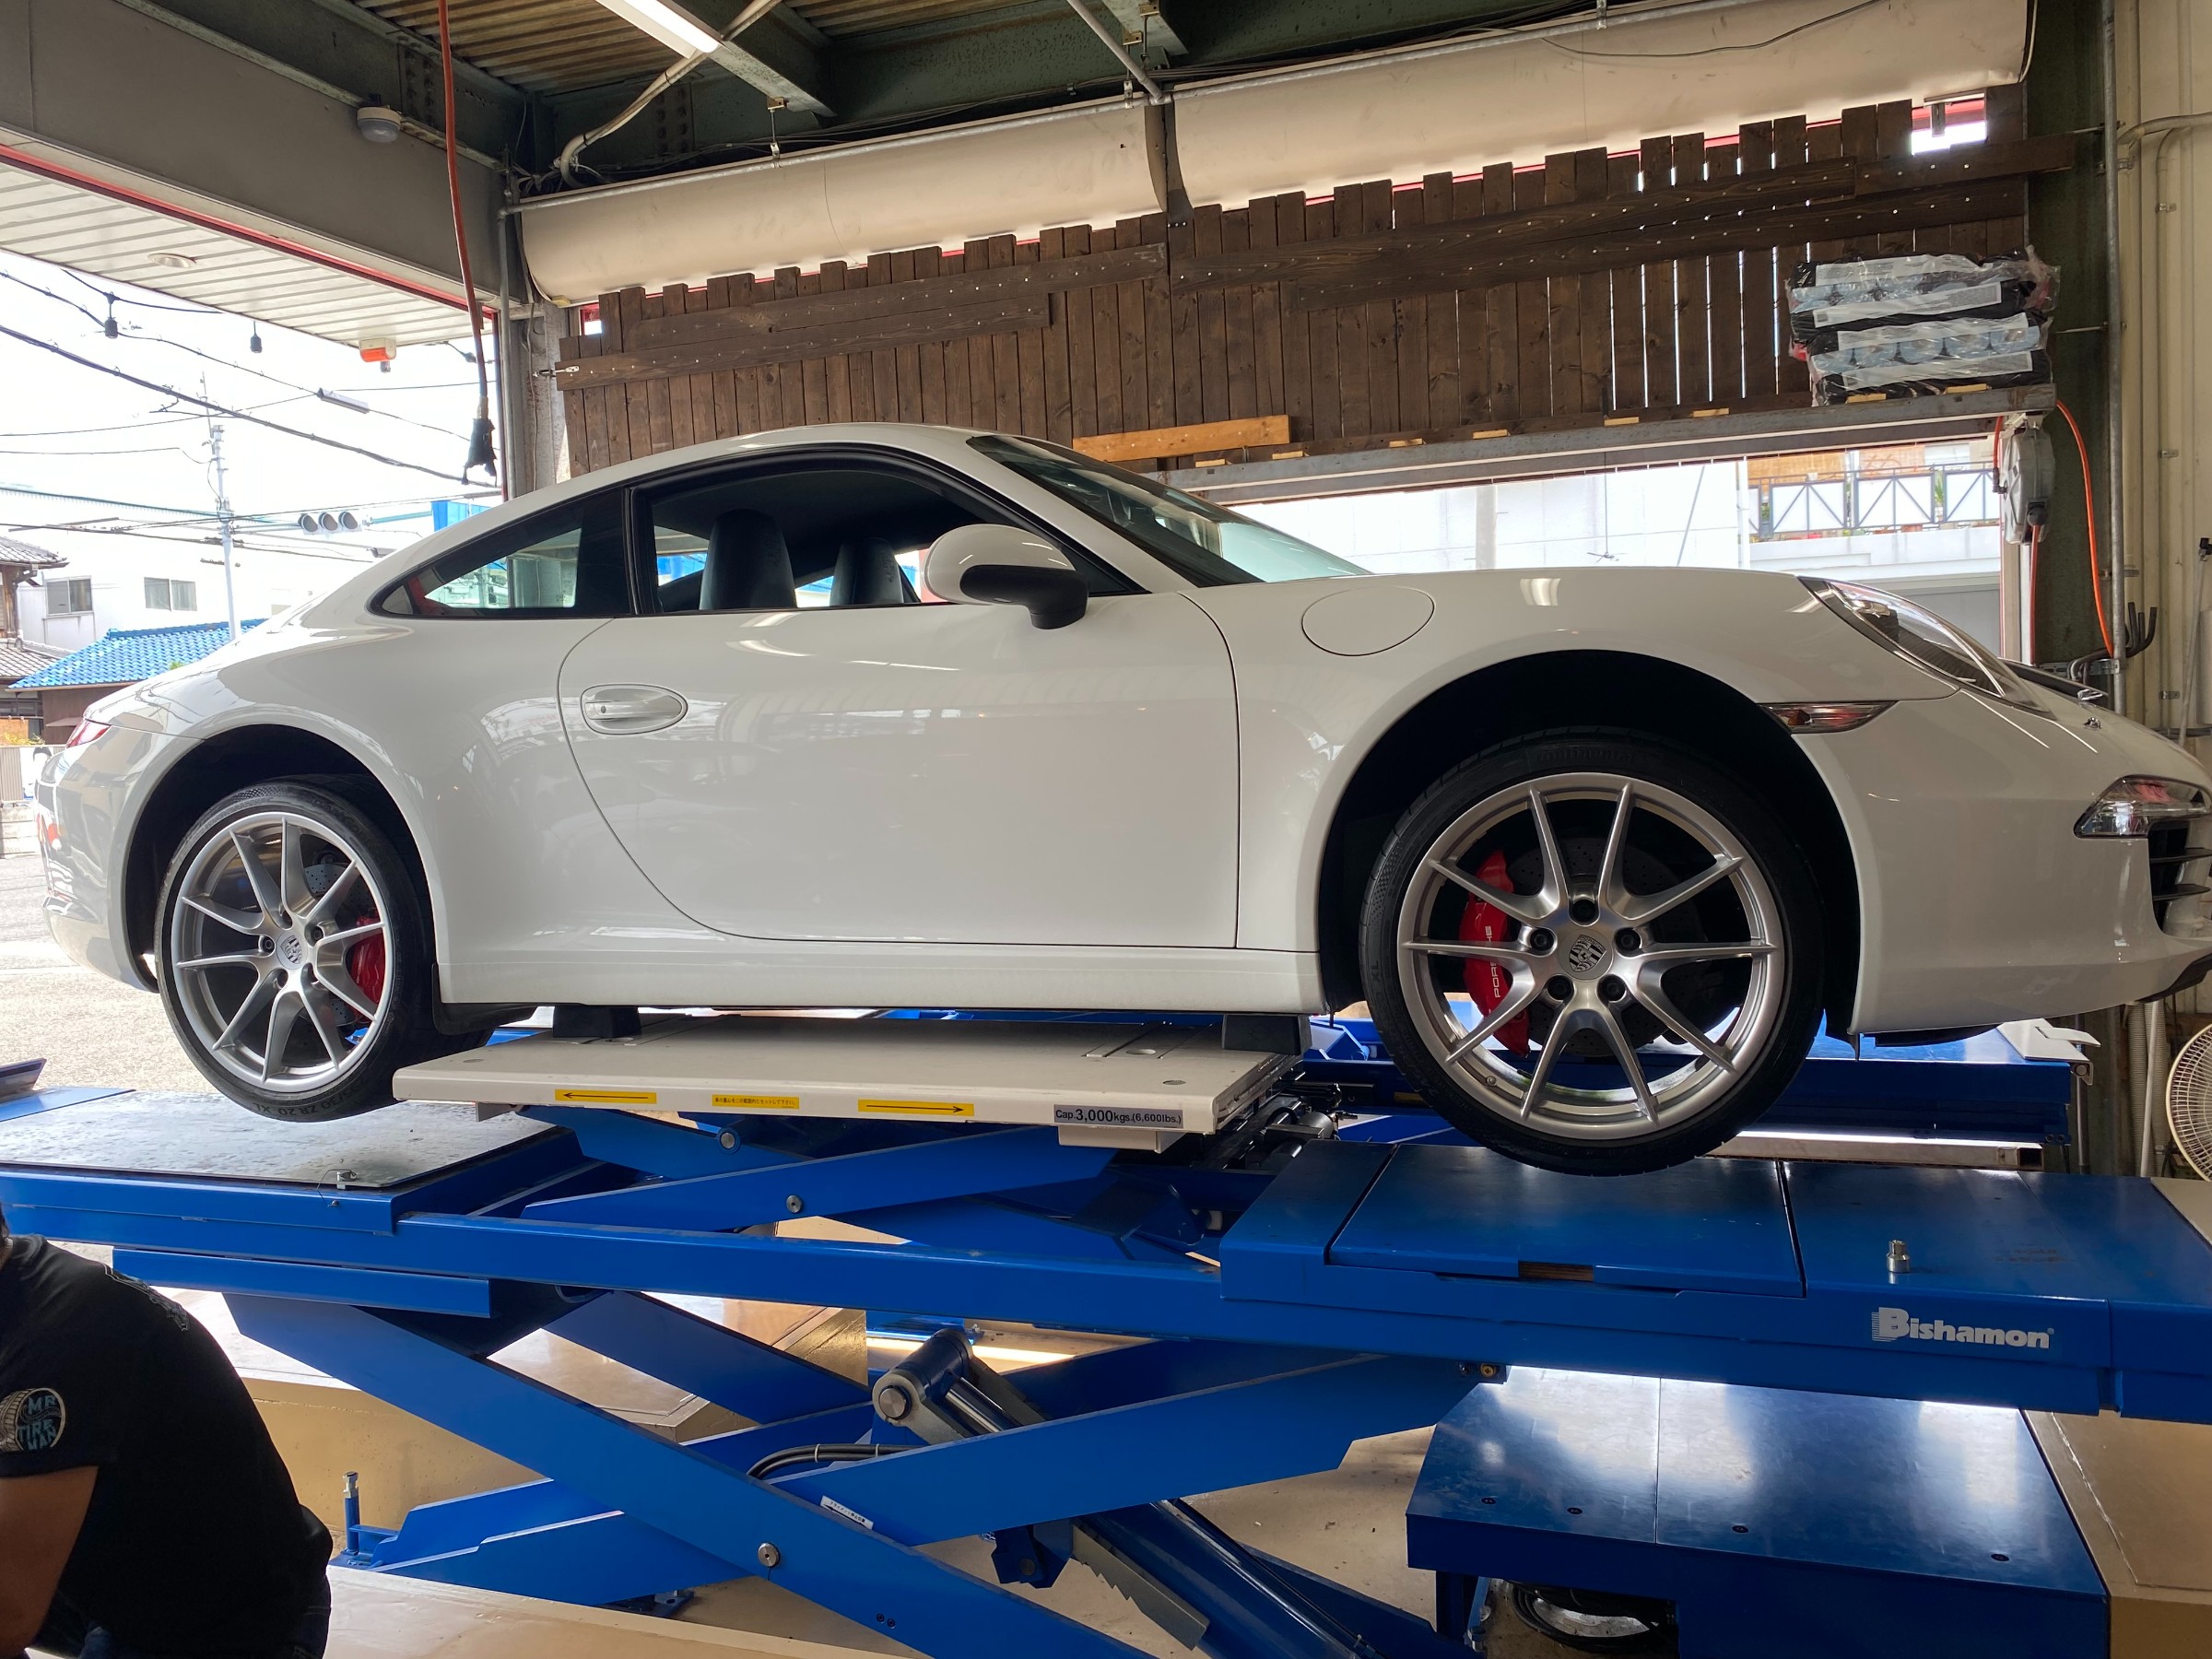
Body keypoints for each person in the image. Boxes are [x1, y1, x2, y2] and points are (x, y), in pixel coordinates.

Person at [0, 1205, 331, 1659]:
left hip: (232, 1621)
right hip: (121, 1571)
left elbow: (9, 1618)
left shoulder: (54, 1344)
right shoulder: (17, 1280)